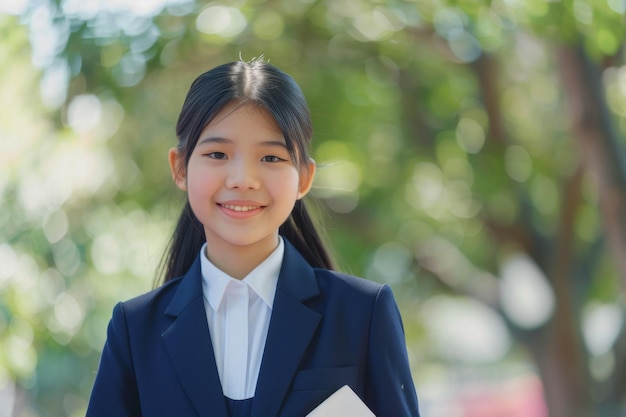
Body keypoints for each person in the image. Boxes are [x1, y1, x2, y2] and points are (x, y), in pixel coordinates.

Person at [85, 58, 420, 417]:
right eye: (218, 154)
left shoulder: (361, 313)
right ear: (180, 168)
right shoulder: (135, 330)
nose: (243, 179)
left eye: (271, 158)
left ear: (304, 178)